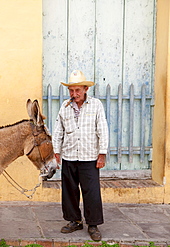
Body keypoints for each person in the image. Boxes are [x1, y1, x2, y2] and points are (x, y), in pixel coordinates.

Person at [52, 70, 109, 241]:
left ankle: (93, 224)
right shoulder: (65, 106)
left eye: (77, 90)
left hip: (89, 156)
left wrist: (102, 154)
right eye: (71, 90)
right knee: (69, 191)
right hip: (69, 155)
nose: (74, 94)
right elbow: (58, 130)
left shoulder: (96, 105)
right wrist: (56, 151)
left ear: (85, 89)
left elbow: (102, 129)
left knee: (91, 191)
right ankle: (74, 220)